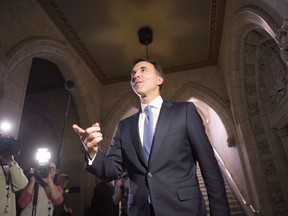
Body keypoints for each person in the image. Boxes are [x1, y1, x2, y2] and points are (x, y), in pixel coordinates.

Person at [73, 57, 231, 216]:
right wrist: (92, 152)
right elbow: (112, 170)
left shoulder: (184, 112)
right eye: (133, 73)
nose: (136, 75)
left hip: (183, 210)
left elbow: (209, 166)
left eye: (143, 70)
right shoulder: (124, 126)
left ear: (159, 79)